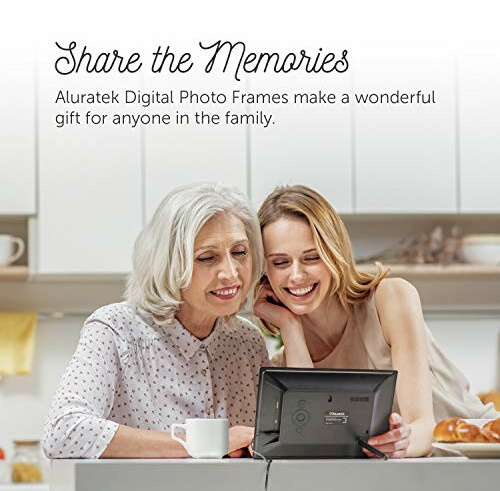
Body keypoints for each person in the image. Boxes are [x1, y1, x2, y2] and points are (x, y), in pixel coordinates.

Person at [254, 185, 499, 458]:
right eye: (280, 263)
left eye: (312, 258)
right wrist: (290, 327)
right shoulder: (282, 364)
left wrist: (395, 446)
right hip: (401, 475)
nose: (297, 276)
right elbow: (316, 445)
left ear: (335, 253)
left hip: (479, 457)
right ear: (265, 272)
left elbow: (423, 426)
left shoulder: (391, 300)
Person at [42, 183, 270, 459]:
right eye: (207, 258)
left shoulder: (247, 340)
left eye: (239, 252)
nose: (231, 273)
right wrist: (206, 444)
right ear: (168, 263)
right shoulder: (115, 329)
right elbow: (64, 432)